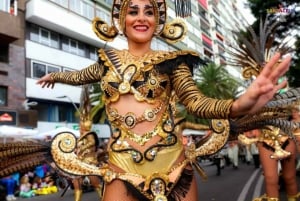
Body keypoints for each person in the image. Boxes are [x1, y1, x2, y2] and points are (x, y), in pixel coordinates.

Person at [32, 0, 297, 200]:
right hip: (121, 166)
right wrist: (56, 75)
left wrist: (240, 104)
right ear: (121, 20)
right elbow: (80, 76)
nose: (141, 18)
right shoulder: (106, 62)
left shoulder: (173, 63)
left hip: (173, 165)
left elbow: (196, 103)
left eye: (150, 12)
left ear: (158, 22)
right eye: (133, 11)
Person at [71, 85, 103, 201]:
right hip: (80, 161)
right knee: (76, 183)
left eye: (81, 126)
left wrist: (83, 147)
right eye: (80, 126)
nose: (80, 127)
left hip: (89, 162)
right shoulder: (80, 136)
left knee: (96, 184)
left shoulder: (89, 133)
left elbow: (92, 143)